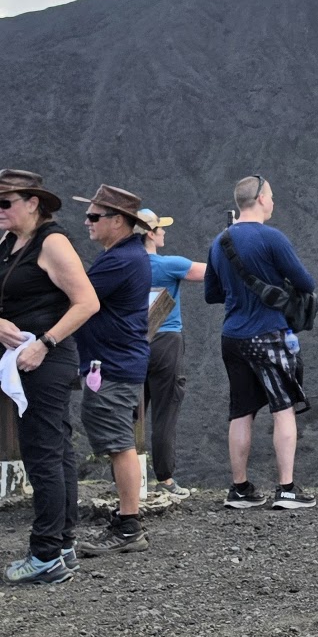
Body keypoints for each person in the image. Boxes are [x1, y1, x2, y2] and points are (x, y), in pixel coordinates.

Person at [0, 170, 100, 585]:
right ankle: (61, 544)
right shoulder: (9, 243)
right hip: (26, 362)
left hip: (43, 362)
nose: (0, 210)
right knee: (55, 450)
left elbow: (87, 302)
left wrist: (44, 342)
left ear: (32, 203)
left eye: (6, 202)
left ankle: (45, 554)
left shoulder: (52, 242)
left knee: (43, 453)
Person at [204, 176, 317, 510]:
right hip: (269, 335)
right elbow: (306, 282)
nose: (273, 202)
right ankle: (286, 490)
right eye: (272, 196)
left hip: (232, 336)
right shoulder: (271, 238)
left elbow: (212, 293)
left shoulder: (219, 241)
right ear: (261, 199)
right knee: (283, 410)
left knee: (241, 411)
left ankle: (239, 490)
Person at [72, 183, 155, 556]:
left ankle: (128, 526)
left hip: (113, 366)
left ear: (118, 221)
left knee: (120, 445)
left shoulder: (121, 260)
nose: (86, 222)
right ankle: (126, 522)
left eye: (94, 216)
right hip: (115, 363)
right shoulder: (124, 255)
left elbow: (78, 297)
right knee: (118, 441)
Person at [137, 207, 206, 500]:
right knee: (165, 414)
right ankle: (165, 480)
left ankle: (131, 478)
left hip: (130, 345)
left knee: (131, 413)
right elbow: (212, 272)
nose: (164, 231)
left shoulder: (122, 266)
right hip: (166, 343)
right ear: (150, 234)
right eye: (160, 228)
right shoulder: (170, 265)